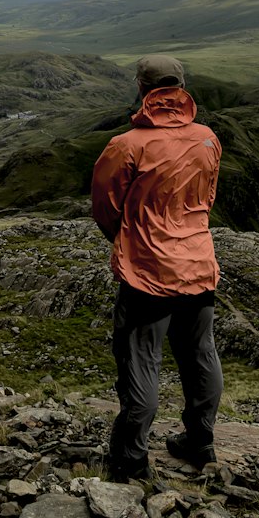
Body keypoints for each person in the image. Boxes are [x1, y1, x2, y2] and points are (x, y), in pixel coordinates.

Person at [90, 54, 223, 481]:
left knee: (142, 360)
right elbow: (206, 199)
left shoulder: (126, 145)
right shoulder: (207, 139)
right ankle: (200, 441)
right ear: (181, 87)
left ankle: (131, 459)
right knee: (201, 354)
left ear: (142, 89)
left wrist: (129, 238)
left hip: (148, 274)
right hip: (200, 265)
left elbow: (106, 208)